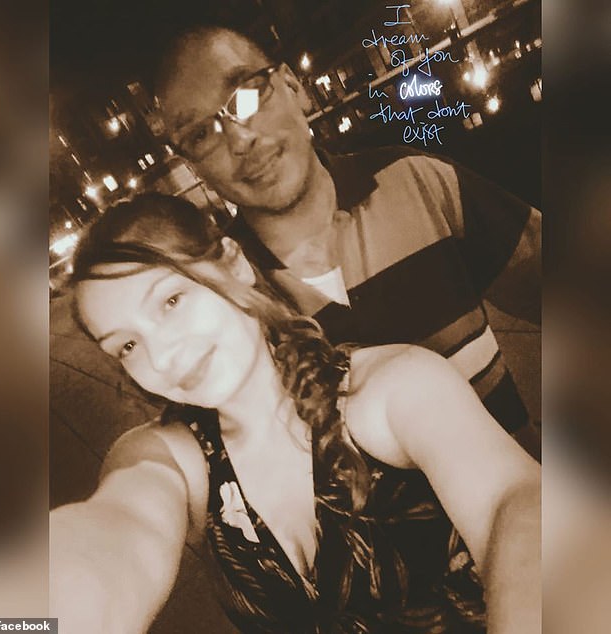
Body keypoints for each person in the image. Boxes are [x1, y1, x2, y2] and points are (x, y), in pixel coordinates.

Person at [50, 193, 540, 633]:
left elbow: (515, 504)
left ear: (234, 265)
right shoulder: (170, 457)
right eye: (128, 345)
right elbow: (116, 536)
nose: (161, 358)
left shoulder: (390, 388)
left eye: (171, 301)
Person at [155, 25, 542, 458]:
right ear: (193, 167)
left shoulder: (413, 181)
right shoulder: (228, 297)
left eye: (246, 96)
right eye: (201, 134)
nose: (239, 139)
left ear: (293, 86)